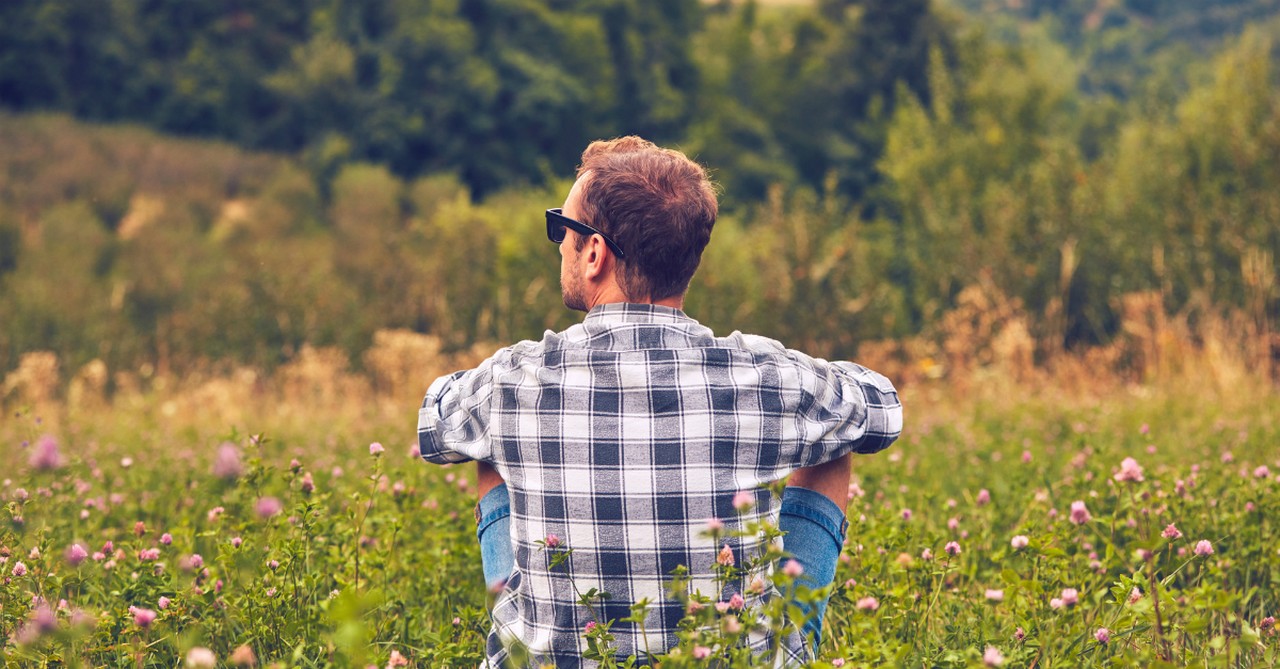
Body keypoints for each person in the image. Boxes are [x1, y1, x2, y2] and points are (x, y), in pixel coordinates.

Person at [418, 136, 902, 667]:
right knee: (832, 438)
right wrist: (812, 377)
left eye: (563, 228)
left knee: (483, 444)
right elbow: (883, 409)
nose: (559, 243)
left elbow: (434, 425)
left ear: (595, 253)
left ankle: (522, 644)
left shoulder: (513, 379)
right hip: (726, 657)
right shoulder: (765, 377)